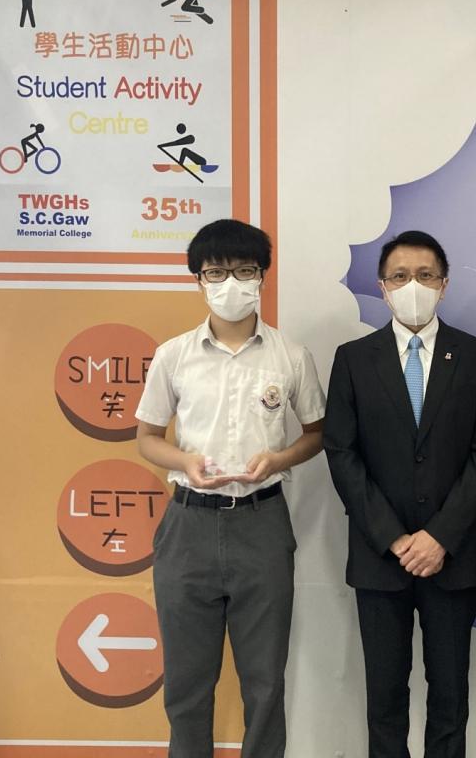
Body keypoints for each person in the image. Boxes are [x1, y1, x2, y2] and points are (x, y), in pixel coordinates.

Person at [135, 219, 326, 758]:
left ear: (262, 276)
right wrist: (186, 461)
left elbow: (317, 434)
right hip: (188, 525)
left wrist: (278, 459)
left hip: (261, 523)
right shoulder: (174, 355)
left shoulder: (290, 355)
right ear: (198, 279)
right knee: (186, 682)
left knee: (265, 680)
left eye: (244, 271)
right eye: (216, 273)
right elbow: (147, 438)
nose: (231, 284)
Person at [323, 230, 476, 758]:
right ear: (383, 287)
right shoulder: (354, 359)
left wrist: (439, 537)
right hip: (381, 556)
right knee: (384, 698)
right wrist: (394, 538)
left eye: (425, 276)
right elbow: (341, 453)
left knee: (450, 698)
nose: (413, 286)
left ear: (444, 285)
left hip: (454, 555)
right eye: (400, 277)